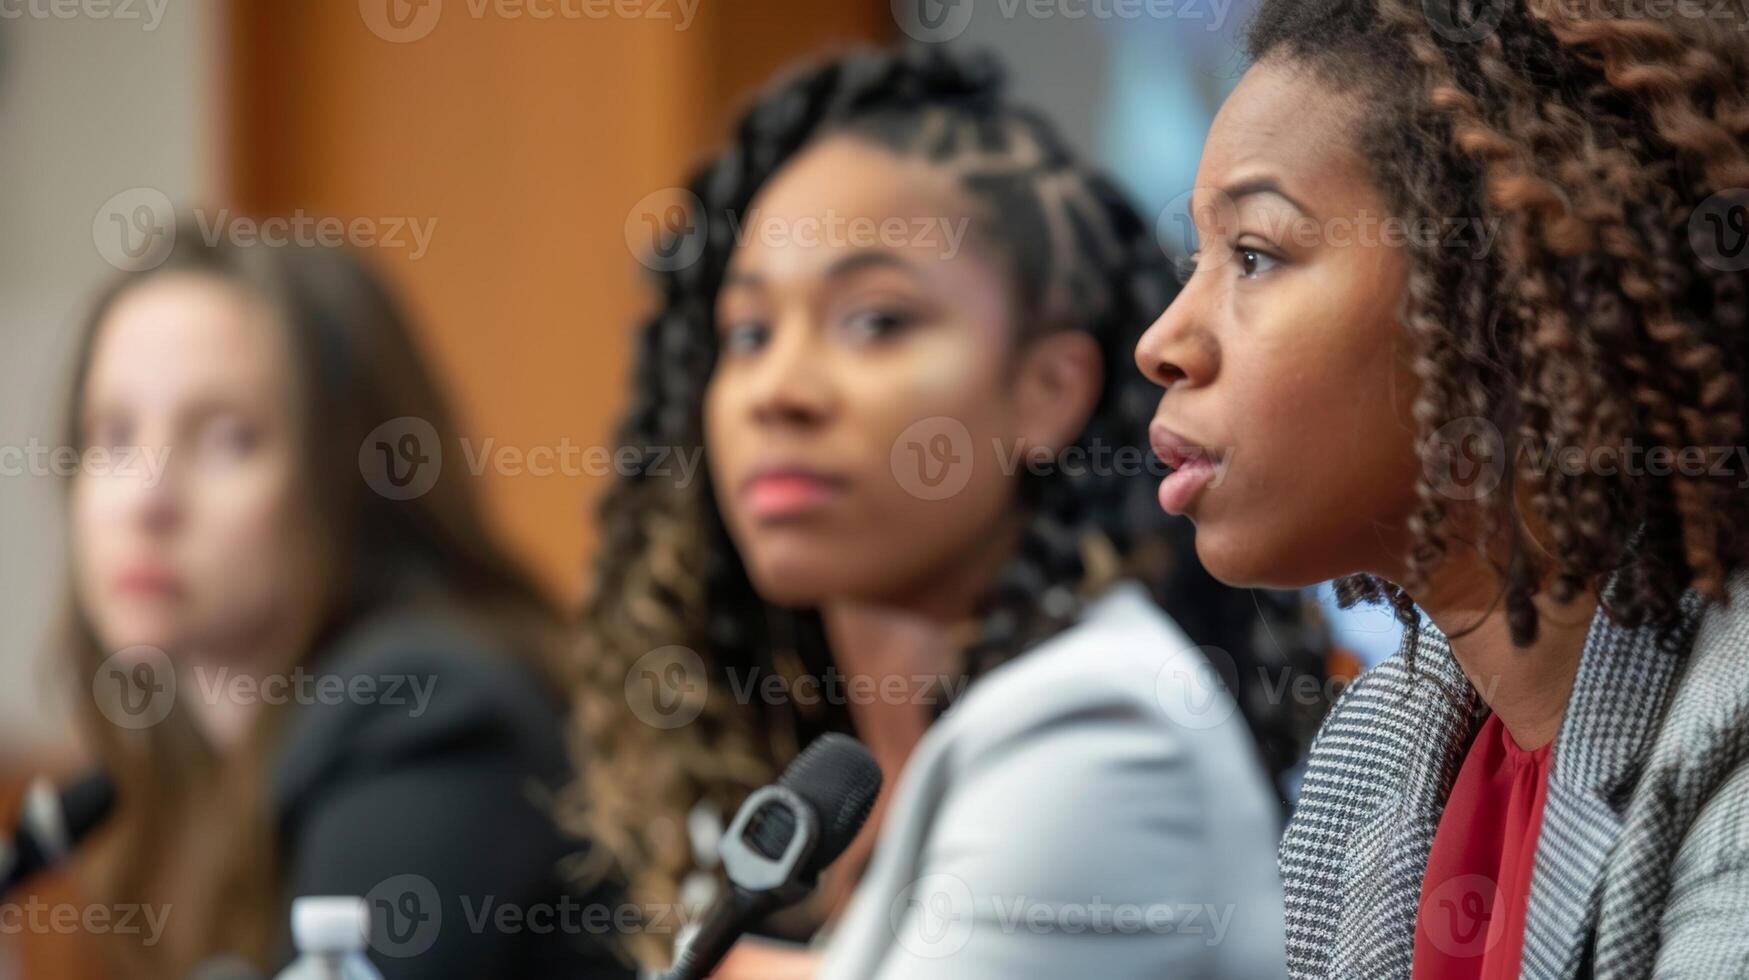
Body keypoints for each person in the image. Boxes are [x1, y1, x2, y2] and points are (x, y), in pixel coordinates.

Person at [565, 46, 1326, 979]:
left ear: (1047, 391)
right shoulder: (813, 774)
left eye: (875, 320)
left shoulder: (1096, 735)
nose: (777, 391)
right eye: (750, 333)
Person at [1134, 1, 1749, 977]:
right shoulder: (1374, 748)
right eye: (1194, 261)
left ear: (1509, 295)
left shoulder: (1732, 727)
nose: (1162, 342)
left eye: (1253, 255)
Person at [62, 228, 632, 979]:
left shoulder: (424, 711)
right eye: (114, 436)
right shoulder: (176, 779)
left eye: (228, 440)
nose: (147, 500)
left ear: (357, 479)